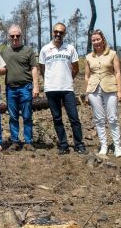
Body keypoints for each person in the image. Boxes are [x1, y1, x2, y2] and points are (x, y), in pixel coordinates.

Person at [39, 22, 87, 155]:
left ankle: (79, 144)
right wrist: (50, 80)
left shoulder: (70, 48)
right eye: (56, 31)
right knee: (57, 118)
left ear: (64, 34)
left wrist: (68, 78)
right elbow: (42, 69)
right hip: (51, 89)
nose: (58, 34)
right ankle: (63, 145)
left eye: (61, 32)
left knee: (74, 118)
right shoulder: (45, 49)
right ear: (52, 32)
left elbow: (76, 68)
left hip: (67, 89)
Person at [84, 30, 121, 157]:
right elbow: (87, 76)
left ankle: (117, 147)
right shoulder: (88, 57)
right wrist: (86, 93)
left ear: (103, 40)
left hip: (110, 88)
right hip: (94, 89)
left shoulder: (112, 54)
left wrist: (119, 90)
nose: (96, 42)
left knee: (112, 117)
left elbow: (117, 72)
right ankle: (104, 146)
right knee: (99, 119)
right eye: (94, 40)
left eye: (98, 39)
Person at [1, 25, 39, 151]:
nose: (15, 38)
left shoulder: (28, 50)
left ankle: (28, 141)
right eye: (12, 36)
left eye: (18, 35)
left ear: (21, 36)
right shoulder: (4, 52)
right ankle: (15, 141)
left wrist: (36, 86)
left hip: (26, 88)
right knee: (13, 116)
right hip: (10, 89)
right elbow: (0, 69)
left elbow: (34, 68)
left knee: (27, 115)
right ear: (8, 37)